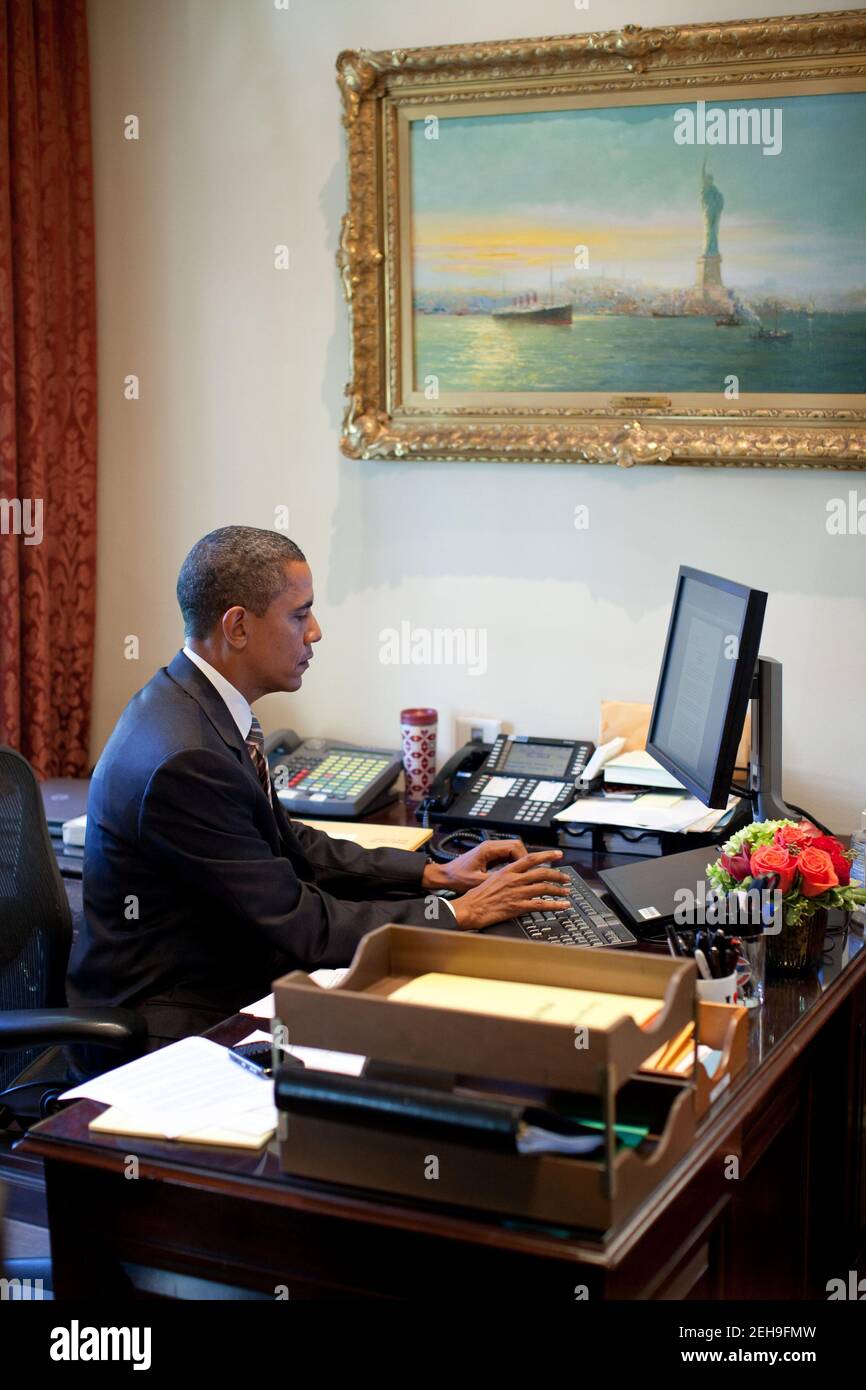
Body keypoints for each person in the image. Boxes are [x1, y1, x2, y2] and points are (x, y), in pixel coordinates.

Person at [67, 526, 569, 1047]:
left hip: (225, 975)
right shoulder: (187, 757)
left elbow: (291, 845)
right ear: (237, 626)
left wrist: (433, 875)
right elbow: (300, 923)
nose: (315, 633)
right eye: (300, 615)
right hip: (172, 1025)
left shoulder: (187, 704)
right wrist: (456, 913)